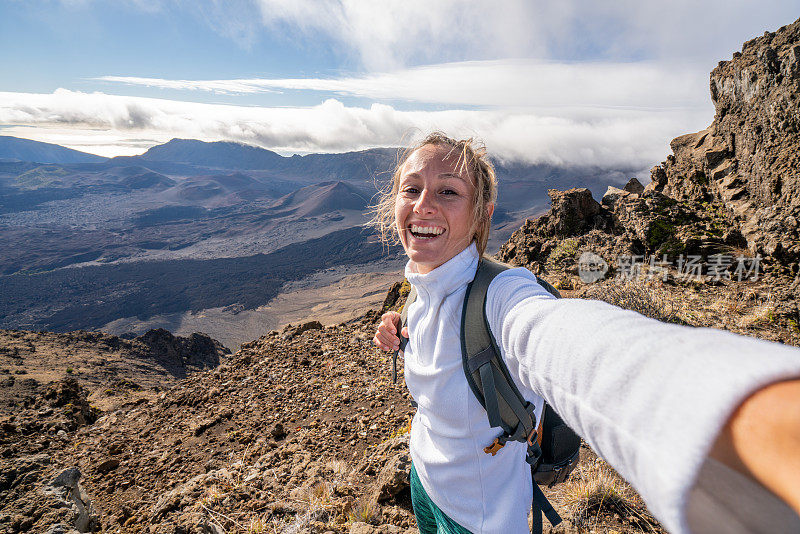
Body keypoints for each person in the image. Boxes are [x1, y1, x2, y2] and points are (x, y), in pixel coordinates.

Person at [370, 132, 800, 534]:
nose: (424, 204)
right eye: (411, 189)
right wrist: (397, 320)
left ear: (482, 214)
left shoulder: (503, 297)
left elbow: (566, 341)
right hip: (423, 482)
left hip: (478, 517)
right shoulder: (423, 284)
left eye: (448, 191)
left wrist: (729, 412)